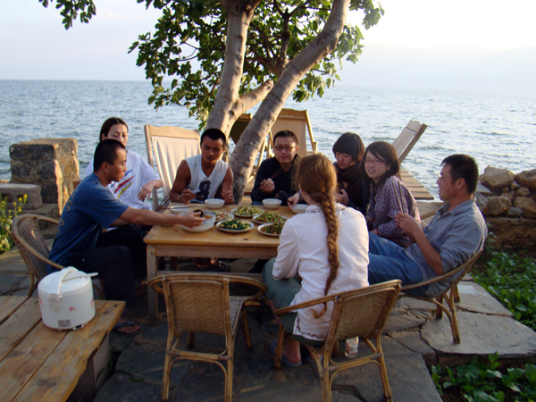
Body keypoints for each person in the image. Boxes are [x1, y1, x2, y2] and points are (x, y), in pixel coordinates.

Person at [49, 140, 203, 335]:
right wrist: (179, 220)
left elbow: (115, 219)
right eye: (122, 163)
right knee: (118, 255)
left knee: (129, 232)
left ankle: (136, 283)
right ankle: (115, 314)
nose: (126, 167)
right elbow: (135, 214)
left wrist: (133, 220)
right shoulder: (94, 191)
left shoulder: (96, 185)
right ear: (106, 166)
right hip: (67, 259)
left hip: (85, 245)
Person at [263, 154, 369, 366]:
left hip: (315, 325)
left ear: (300, 188)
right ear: (334, 184)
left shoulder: (296, 224)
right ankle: (316, 351)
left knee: (271, 267)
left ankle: (293, 349)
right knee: (317, 274)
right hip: (357, 320)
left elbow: (281, 274)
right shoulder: (357, 217)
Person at [367, 154, 488, 296]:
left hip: (423, 276)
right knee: (359, 237)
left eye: (442, 177)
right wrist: (410, 231)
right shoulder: (450, 208)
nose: (438, 181)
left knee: (356, 262)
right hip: (410, 256)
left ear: (460, 183)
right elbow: (422, 244)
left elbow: (440, 268)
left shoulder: (469, 223)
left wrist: (416, 231)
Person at [85, 117, 163, 211]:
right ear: (104, 137)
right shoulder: (96, 165)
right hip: (118, 215)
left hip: (138, 210)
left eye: (124, 135)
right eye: (115, 135)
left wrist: (151, 183)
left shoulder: (134, 158)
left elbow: (159, 181)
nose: (120, 139)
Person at [364, 141, 420, 248]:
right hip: (383, 238)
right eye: (368, 160)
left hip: (400, 244)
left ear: (389, 165)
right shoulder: (375, 183)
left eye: (377, 161)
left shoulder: (392, 183)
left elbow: (398, 225)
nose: (371, 165)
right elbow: (372, 213)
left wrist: (372, 233)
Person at [169, 128, 234, 204]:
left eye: (216, 150)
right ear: (201, 146)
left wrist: (229, 199)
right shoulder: (187, 166)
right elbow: (173, 194)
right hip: (186, 208)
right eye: (207, 148)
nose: (211, 153)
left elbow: (228, 199)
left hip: (208, 209)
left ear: (223, 150)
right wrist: (181, 198)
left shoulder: (226, 171)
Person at [251, 130, 300, 206]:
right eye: (279, 147)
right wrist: (265, 191)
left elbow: (311, 196)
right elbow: (254, 196)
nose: (283, 151)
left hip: (295, 206)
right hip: (271, 207)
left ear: (296, 149)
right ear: (273, 149)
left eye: (288, 147)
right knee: (255, 204)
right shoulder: (266, 165)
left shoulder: (303, 166)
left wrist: (286, 197)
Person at [332, 132, 369, 215]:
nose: (340, 159)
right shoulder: (333, 169)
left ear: (356, 156)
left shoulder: (364, 176)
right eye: (338, 154)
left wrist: (347, 202)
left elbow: (366, 213)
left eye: (346, 156)